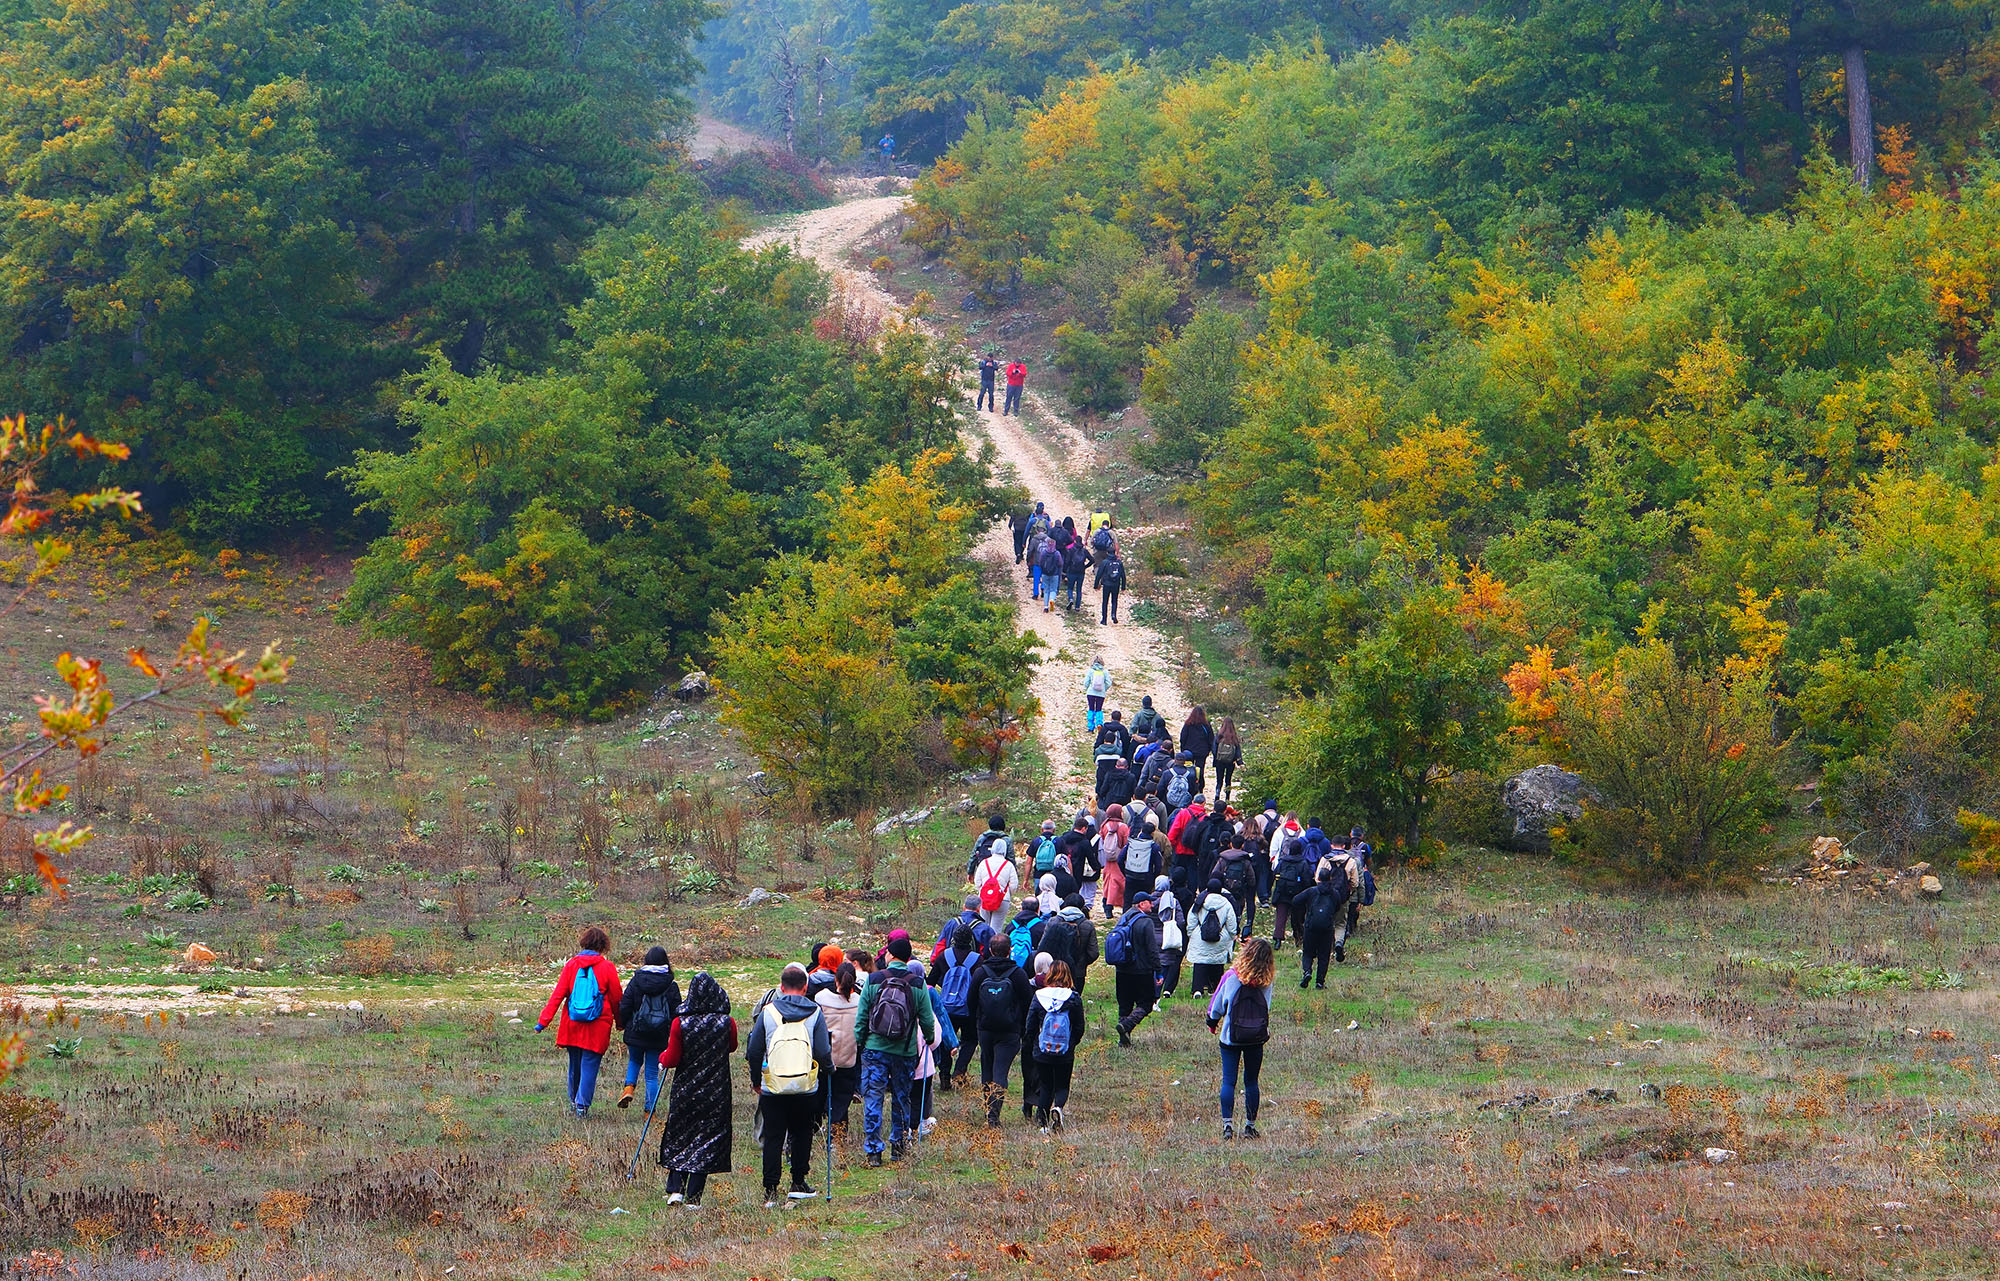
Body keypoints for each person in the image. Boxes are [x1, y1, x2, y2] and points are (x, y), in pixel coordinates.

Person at [745, 964, 832, 1206]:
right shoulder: (815, 1012)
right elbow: (823, 1051)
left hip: (774, 1084)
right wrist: (830, 1069)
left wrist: (756, 1080)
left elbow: (754, 1051)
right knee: (802, 1132)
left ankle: (770, 1190)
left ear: (781, 988)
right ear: (805, 987)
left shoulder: (768, 1012)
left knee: (774, 1137)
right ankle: (798, 1182)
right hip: (805, 1085)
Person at [852, 936, 936, 1165]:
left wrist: (861, 1040)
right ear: (908, 958)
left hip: (874, 1049)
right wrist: (928, 1039)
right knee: (901, 1098)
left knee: (873, 1098)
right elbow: (927, 1020)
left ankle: (873, 1151)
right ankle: (898, 1146)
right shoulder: (918, 983)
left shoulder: (874, 979)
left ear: (889, 955)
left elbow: (862, 1015)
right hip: (905, 1050)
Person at [658, 973, 736, 1207]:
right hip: (716, 1091)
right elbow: (732, 1046)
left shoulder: (680, 1023)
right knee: (707, 1139)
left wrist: (662, 1058)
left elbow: (672, 1058)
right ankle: (694, 1196)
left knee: (680, 1134)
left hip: (686, 1090)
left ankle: (675, 1189)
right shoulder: (726, 1022)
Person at [535, 927, 623, 1118]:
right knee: (590, 1065)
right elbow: (617, 998)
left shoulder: (571, 965)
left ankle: (573, 1101)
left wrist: (543, 1022)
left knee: (574, 1065)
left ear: (584, 942)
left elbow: (557, 995)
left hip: (572, 1024)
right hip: (598, 1026)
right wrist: (621, 1022)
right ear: (603, 946)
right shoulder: (607, 967)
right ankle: (582, 1106)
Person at [1207, 938, 1274, 1139]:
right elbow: (1267, 1007)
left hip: (1230, 1036)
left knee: (1229, 1081)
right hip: (1256, 1037)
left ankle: (1228, 1126)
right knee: (1251, 1081)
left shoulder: (1231, 976)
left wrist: (1212, 1021)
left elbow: (1217, 1005)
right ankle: (1250, 1126)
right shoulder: (1267, 981)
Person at [969, 935, 1031, 1125]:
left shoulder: (981, 973)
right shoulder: (1018, 974)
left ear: (990, 950)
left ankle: (989, 1111)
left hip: (985, 1029)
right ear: (1009, 950)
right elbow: (1028, 1002)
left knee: (987, 1069)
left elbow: (970, 1001)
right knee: (1000, 1071)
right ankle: (994, 1114)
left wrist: (978, 1021)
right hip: (1010, 1031)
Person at [614, 946, 680, 1112]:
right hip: (658, 1036)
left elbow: (625, 1005)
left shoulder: (636, 981)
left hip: (636, 1031)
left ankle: (629, 1088)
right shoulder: (670, 985)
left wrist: (622, 1023)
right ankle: (649, 1112)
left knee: (635, 1061)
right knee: (651, 1073)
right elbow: (677, 1012)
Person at [1024, 960, 1084, 1133]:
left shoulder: (1039, 996)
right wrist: (1071, 1044)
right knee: (1062, 1085)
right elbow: (1079, 1026)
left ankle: (1042, 1123)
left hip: (1043, 1049)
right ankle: (1058, 1108)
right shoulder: (1073, 998)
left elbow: (1030, 1025)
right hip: (1064, 1050)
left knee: (1045, 1085)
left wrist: (1034, 1043)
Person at [928, 923, 983, 1087]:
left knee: (946, 1041)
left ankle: (944, 1075)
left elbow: (930, 981)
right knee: (970, 1040)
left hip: (947, 1007)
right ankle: (960, 1070)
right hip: (968, 1008)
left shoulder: (944, 956)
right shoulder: (977, 960)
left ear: (953, 939)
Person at [814, 961, 862, 1134]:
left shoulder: (822, 998)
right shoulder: (859, 1001)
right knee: (841, 1099)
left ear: (835, 979)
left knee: (819, 1095)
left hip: (825, 1058)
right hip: (848, 1059)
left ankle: (814, 1125)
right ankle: (838, 1135)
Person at [1108, 893, 1161, 1046]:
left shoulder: (1123, 918)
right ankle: (1127, 1026)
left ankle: (1123, 1041)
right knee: (1146, 1003)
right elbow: (1152, 949)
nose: (1152, 905)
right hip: (1142, 970)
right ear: (1141, 904)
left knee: (1124, 1005)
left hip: (1122, 969)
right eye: (1149, 903)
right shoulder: (1146, 922)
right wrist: (1158, 970)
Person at [1187, 877, 1240, 997]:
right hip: (1220, 938)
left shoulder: (1200, 901)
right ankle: (1215, 988)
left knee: (1200, 962)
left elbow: (1192, 919)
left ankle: (1197, 989)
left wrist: (1191, 933)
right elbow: (1232, 924)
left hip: (1200, 937)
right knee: (1217, 962)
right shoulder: (1226, 903)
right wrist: (1231, 936)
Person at [1267, 816, 1310, 949]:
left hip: (1283, 891)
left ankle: (1278, 939)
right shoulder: (1303, 863)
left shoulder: (1283, 861)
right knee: (1297, 916)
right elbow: (1307, 879)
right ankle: (1298, 938)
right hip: (1297, 892)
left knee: (1281, 915)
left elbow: (1275, 874)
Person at [970, 822, 1019, 936]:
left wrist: (984, 890)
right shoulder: (1008, 865)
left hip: (984, 897)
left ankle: (983, 949)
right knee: (996, 928)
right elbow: (1014, 885)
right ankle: (995, 949)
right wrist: (1005, 893)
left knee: (983, 925)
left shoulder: (984, 863)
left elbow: (977, 882)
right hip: (1002, 898)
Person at [1155, 873, 1186, 1000]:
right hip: (1167, 937)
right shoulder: (1173, 901)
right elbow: (1181, 921)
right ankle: (1157, 995)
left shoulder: (1147, 900)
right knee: (1165, 965)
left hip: (1150, 937)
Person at [1096, 804, 1129, 920]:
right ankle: (1115, 905)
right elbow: (1126, 844)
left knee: (1107, 882)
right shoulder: (1123, 827)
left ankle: (1106, 904)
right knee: (1118, 883)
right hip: (1119, 860)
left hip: (1107, 859)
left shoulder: (1104, 826)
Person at [1180, 707, 1216, 779]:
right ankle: (1200, 785)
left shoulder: (1188, 724)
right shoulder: (1206, 725)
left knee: (1188, 769)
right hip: (1202, 751)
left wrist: (1183, 749)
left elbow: (1183, 737)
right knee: (1200, 769)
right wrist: (1208, 750)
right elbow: (1211, 739)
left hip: (1189, 751)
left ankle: (1190, 784)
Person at [1213, 718, 1242, 803]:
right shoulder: (1234, 737)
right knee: (1228, 779)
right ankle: (1227, 798)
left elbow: (1214, 749)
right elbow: (1238, 751)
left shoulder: (1219, 735)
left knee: (1219, 780)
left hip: (1219, 761)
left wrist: (1217, 757)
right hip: (1230, 762)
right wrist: (1239, 762)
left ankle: (1217, 795)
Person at [1036, 534, 1064, 611]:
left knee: (1046, 590)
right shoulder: (1057, 553)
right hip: (1054, 574)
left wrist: (1043, 570)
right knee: (1053, 589)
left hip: (1045, 573)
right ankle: (1052, 600)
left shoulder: (1044, 552)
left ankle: (1045, 607)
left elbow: (1040, 563)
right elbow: (1060, 563)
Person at [1083, 658, 1111, 732]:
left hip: (1090, 693)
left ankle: (1090, 726)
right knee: (1099, 709)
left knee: (1091, 708)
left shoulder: (1090, 671)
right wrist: (1104, 689)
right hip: (1101, 694)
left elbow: (1086, 682)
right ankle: (1099, 723)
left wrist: (1087, 688)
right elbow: (1109, 683)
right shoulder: (1105, 672)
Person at [1099, 548, 1126, 624]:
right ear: (1114, 553)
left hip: (1106, 584)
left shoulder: (1105, 562)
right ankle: (1113, 615)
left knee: (1105, 601)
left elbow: (1099, 574)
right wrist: (1123, 586)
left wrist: (1096, 584)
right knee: (1114, 601)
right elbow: (1123, 575)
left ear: (1107, 553)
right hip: (1116, 584)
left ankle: (1104, 619)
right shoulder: (1119, 563)